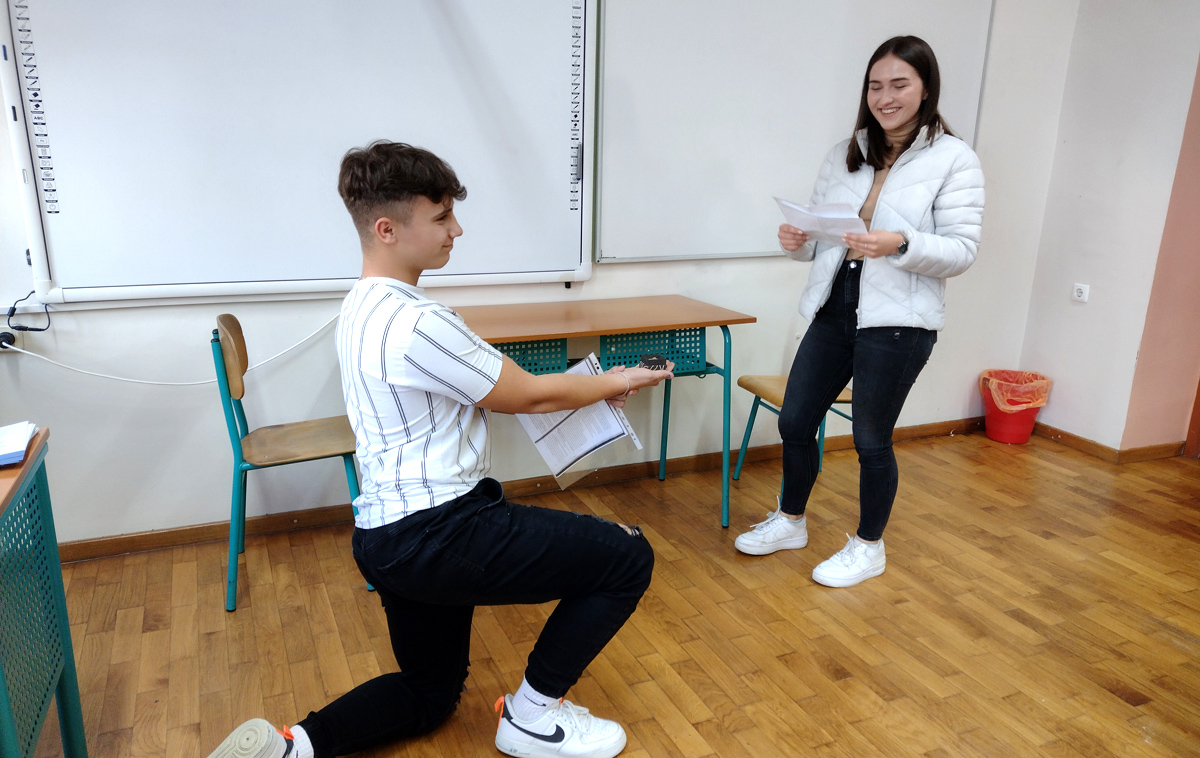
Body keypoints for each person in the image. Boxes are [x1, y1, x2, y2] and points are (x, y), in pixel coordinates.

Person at [207, 141, 674, 758]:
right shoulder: (418, 322)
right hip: (442, 531)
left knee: (430, 692)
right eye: (441, 216)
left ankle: (293, 747)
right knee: (626, 558)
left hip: (384, 538)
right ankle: (532, 718)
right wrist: (618, 380)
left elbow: (495, 391)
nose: (457, 229)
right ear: (387, 229)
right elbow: (530, 395)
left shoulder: (359, 307)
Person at [733, 36, 984, 587]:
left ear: (926, 89)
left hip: (899, 323)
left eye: (899, 85)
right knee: (795, 419)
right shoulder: (846, 152)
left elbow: (962, 250)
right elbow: (824, 234)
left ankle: (869, 547)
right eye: (875, 86)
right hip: (835, 303)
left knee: (871, 439)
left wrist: (901, 243)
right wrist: (797, 240)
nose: (885, 97)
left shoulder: (954, 158)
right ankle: (790, 521)